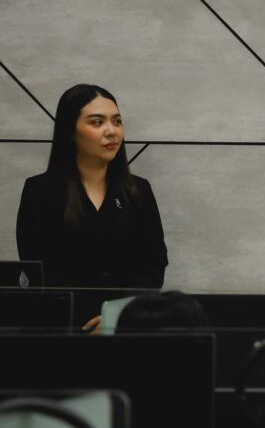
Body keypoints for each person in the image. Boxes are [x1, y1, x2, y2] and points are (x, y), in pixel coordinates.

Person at [16, 84, 168, 327]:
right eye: (97, 122)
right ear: (70, 131)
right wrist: (88, 320)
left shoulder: (139, 190)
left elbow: (154, 264)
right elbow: (40, 268)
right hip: (64, 327)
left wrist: (115, 317)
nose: (112, 131)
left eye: (117, 121)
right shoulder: (40, 191)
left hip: (127, 327)